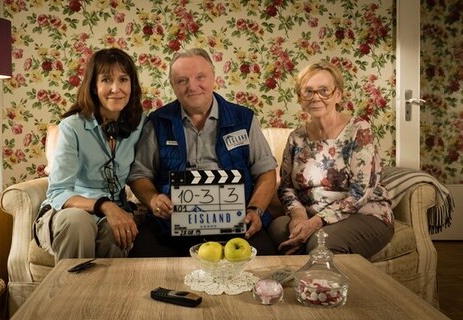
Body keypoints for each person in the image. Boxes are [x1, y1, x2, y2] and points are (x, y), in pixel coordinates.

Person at [128, 48, 278, 257]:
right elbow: (139, 174)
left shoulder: (243, 119)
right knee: (143, 262)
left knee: (266, 263)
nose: (193, 86)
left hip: (237, 224)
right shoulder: (158, 122)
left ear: (213, 78)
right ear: (173, 86)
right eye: (182, 80)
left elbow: (266, 172)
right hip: (170, 226)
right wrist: (153, 199)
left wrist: (255, 210)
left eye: (200, 77)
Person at [269, 60, 394, 259]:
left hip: (364, 214)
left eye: (324, 90)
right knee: (277, 229)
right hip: (310, 215)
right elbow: (286, 187)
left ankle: (336, 289)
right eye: (308, 91)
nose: (316, 97)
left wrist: (315, 222)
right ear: (300, 98)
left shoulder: (359, 130)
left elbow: (360, 192)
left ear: (338, 94)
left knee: (322, 244)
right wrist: (298, 215)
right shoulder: (296, 137)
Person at [34, 48, 146, 262]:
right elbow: (58, 192)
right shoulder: (72, 127)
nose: (116, 88)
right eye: (106, 79)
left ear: (132, 85)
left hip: (113, 213)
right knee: (78, 222)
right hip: (68, 212)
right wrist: (105, 205)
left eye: (123, 79)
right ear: (94, 86)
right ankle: (72, 294)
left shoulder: (140, 125)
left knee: (117, 233)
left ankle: (110, 295)